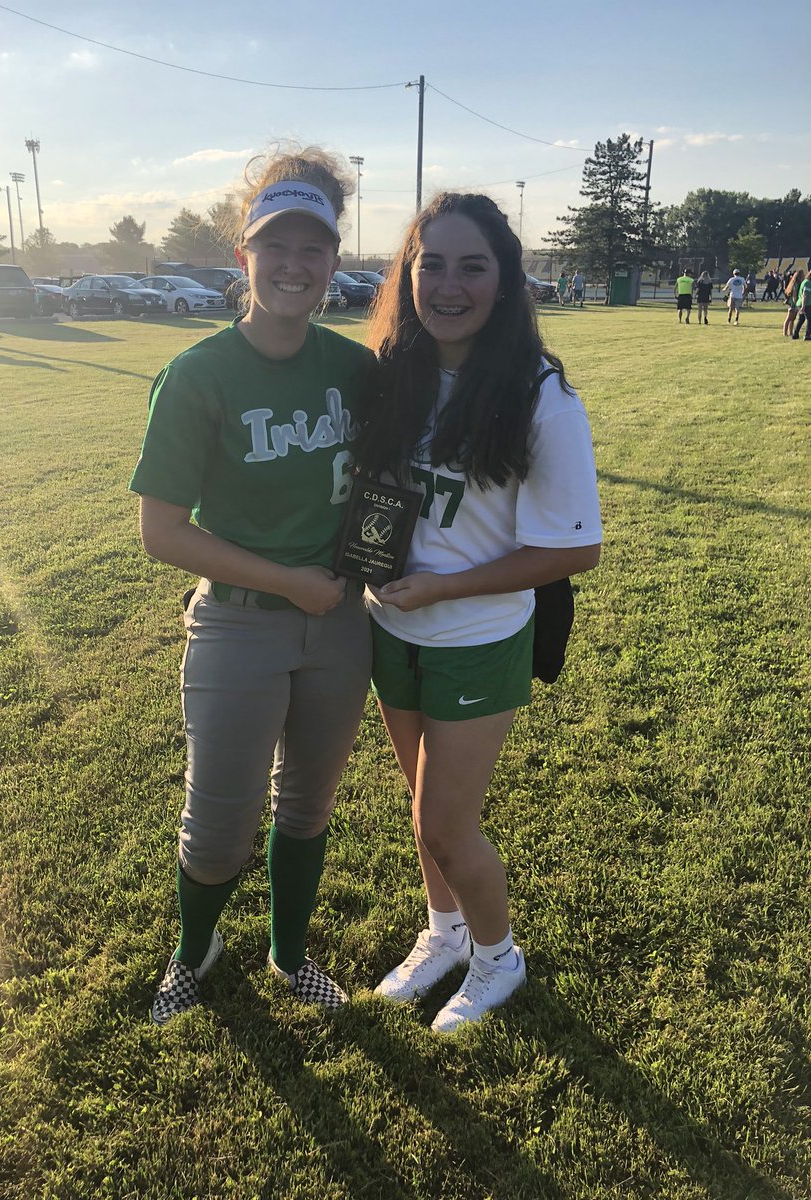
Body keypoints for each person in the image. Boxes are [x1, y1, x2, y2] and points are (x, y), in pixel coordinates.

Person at [130, 145, 374, 1025]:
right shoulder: (198, 374)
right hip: (238, 624)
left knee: (306, 807)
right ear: (245, 255)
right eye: (276, 246)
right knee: (217, 827)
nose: (294, 265)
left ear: (334, 263)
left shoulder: (356, 370)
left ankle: (289, 954)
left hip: (341, 624)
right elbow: (163, 531)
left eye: (313, 249)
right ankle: (195, 950)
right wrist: (287, 581)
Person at [356, 192, 602, 1033]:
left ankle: (499, 959)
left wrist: (442, 588)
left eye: (472, 267)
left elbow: (576, 550)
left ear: (505, 280)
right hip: (392, 629)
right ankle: (445, 934)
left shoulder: (540, 394)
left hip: (477, 637)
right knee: (423, 813)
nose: (449, 285)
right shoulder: (395, 371)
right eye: (432, 265)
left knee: (446, 826)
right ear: (408, 274)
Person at [782, 269, 803, 339]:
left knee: (792, 319)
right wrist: (795, 304)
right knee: (788, 319)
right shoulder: (795, 284)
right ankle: (785, 333)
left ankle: (790, 332)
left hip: (795, 303)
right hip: (793, 303)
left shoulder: (798, 283)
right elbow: (794, 295)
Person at [791, 272, 811, 340]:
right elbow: (805, 295)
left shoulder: (804, 281)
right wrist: (803, 306)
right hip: (806, 304)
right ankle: (807, 335)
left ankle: (795, 334)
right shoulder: (808, 283)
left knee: (801, 319)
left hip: (800, 303)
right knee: (809, 319)